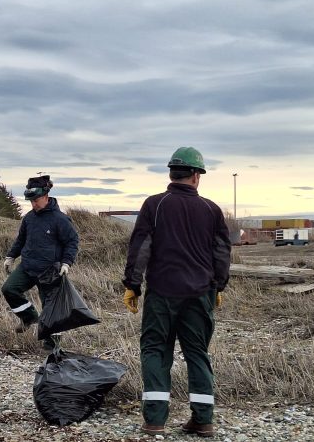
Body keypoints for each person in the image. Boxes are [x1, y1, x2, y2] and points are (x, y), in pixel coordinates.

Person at [121, 147, 231, 438]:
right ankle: (203, 420)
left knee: (156, 350)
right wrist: (218, 285)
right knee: (197, 353)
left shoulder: (155, 205)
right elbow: (221, 252)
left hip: (162, 293)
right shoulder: (211, 209)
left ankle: (155, 420)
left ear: (172, 173)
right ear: (197, 175)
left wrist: (132, 285)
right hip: (200, 294)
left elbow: (141, 246)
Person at [1, 175, 79, 349]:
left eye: (36, 200)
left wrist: (66, 263)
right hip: (27, 266)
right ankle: (29, 317)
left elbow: (72, 242)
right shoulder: (29, 218)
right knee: (9, 289)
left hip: (50, 271)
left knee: (50, 308)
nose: (33, 204)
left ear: (46, 196)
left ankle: (52, 344)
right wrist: (11, 256)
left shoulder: (60, 219)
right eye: (30, 201)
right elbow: (20, 240)